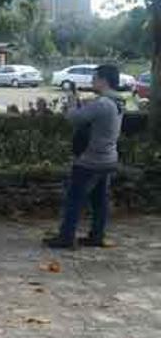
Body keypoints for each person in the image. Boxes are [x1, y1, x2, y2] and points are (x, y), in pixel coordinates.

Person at [44, 65, 124, 249]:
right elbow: (92, 119)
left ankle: (66, 238)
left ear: (104, 80)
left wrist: (72, 101)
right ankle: (97, 236)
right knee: (99, 201)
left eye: (95, 78)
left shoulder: (103, 103)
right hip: (107, 158)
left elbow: (74, 118)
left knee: (74, 199)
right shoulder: (118, 101)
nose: (92, 81)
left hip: (90, 160)